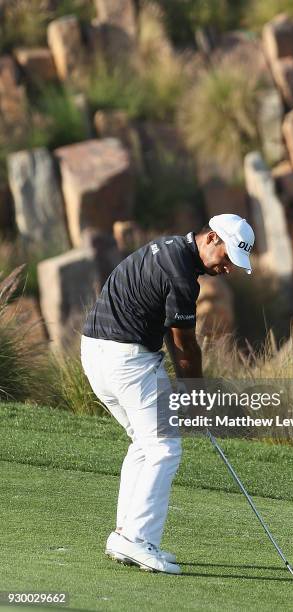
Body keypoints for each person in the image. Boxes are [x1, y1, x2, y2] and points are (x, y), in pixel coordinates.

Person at [80, 213, 255, 574]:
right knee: (165, 447)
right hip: (127, 360)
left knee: (144, 443)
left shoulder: (169, 248)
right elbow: (184, 347)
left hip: (95, 354)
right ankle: (138, 539)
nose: (228, 269)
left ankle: (126, 533)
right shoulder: (181, 276)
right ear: (211, 239)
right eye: (227, 259)